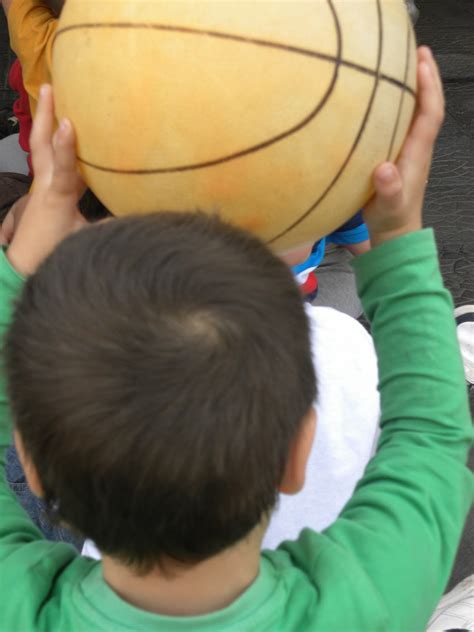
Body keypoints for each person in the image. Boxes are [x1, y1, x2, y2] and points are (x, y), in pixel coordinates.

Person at [0, 47, 472, 632]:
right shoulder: (365, 602)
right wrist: (397, 233)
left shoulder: (17, 606)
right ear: (300, 452)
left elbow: (431, 437)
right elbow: (432, 433)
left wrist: (27, 246)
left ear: (31, 463)